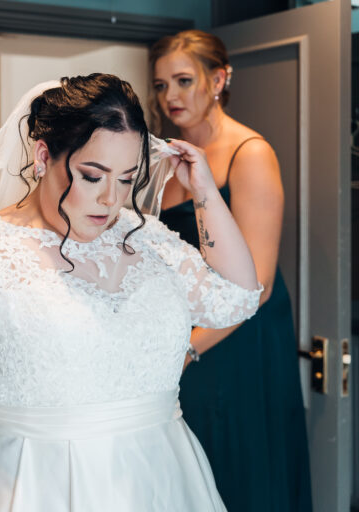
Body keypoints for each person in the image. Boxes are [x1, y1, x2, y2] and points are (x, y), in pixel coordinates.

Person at [0, 73, 262, 511]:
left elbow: (237, 297)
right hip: (23, 483)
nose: (110, 199)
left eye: (126, 179)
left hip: (160, 478)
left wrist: (205, 192)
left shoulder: (148, 239)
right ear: (43, 155)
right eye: (92, 175)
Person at [150, 30, 312, 512]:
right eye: (160, 86)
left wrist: (185, 348)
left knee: (234, 464)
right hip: (183, 330)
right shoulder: (164, 157)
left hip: (236, 336)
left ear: (218, 79)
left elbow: (255, 287)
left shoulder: (250, 152)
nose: (171, 97)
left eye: (183, 80)